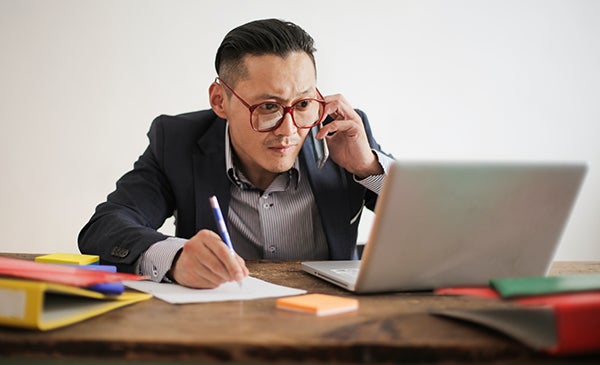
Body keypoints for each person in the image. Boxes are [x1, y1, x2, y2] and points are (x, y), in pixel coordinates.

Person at [78, 18, 393, 289]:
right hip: (222, 325)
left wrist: (368, 168)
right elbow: (106, 225)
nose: (289, 129)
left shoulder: (341, 134)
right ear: (219, 101)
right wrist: (175, 258)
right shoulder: (177, 141)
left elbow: (432, 222)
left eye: (303, 104)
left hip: (330, 325)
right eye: (268, 107)